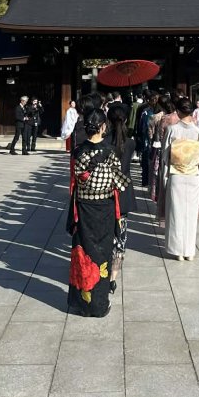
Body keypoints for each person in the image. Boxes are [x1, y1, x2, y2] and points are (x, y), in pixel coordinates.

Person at [67, 108, 130, 318]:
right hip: (104, 207)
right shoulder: (110, 151)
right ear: (103, 127)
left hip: (84, 208)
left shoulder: (78, 151)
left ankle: (82, 303)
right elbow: (119, 182)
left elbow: (74, 182)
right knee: (102, 253)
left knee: (83, 253)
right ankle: (100, 304)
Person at [163, 96, 199, 261]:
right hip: (192, 174)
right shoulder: (197, 131)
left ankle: (178, 250)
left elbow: (165, 154)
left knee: (176, 212)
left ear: (178, 111)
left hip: (176, 173)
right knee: (190, 212)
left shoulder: (172, 129)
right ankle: (189, 251)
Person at [106, 103, 138, 292]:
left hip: (107, 190)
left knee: (105, 233)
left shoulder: (104, 141)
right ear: (125, 119)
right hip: (124, 190)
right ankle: (113, 277)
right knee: (120, 237)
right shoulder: (131, 142)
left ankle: (102, 270)